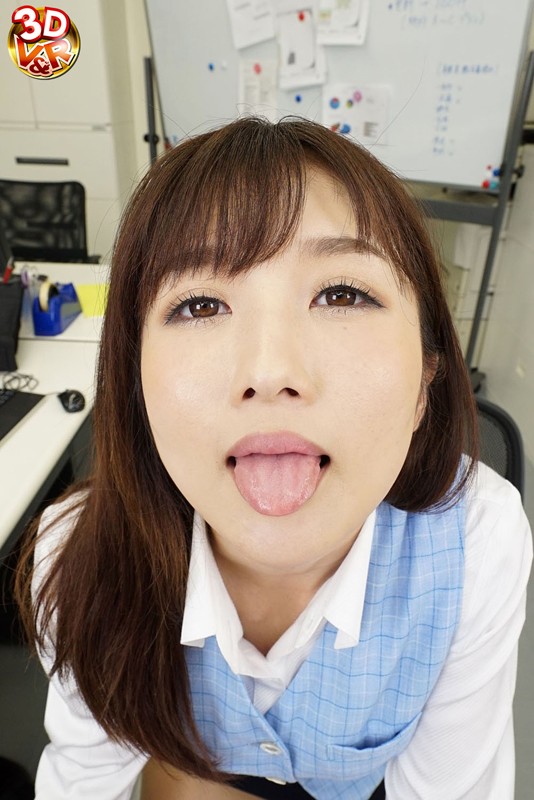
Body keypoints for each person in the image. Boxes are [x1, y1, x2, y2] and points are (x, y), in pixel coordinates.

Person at [15, 117, 532, 800]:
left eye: (342, 294)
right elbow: (80, 780)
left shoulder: (477, 541)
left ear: (424, 383)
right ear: (135, 383)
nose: (269, 371)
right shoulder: (78, 555)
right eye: (200, 304)